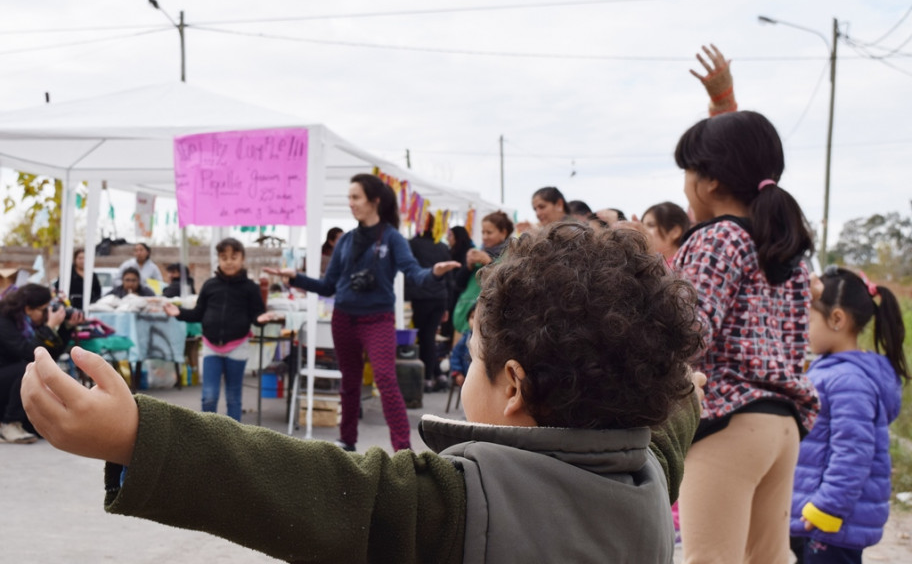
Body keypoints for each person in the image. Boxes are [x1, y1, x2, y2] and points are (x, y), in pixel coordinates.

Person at [23, 222, 705, 562]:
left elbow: (303, 484)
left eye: (473, 359)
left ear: (514, 386)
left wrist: (139, 436)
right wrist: (677, 376)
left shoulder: (461, 502)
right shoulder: (645, 472)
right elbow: (676, 413)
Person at [672, 110, 820, 564]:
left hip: (728, 423)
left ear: (710, 180)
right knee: (768, 560)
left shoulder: (719, 238)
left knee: (711, 559)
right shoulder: (786, 251)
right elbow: (799, 348)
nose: (684, 183)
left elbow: (689, 333)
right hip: (781, 425)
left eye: (687, 171)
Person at [265, 173, 460, 452]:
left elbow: (415, 275)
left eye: (356, 197)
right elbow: (328, 286)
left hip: (378, 319)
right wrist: (295, 277)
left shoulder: (393, 238)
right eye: (349, 198)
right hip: (343, 318)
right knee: (350, 381)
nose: (351, 203)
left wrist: (435, 273)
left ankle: (403, 449)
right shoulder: (345, 242)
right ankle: (347, 442)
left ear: (374, 201)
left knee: (385, 378)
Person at [790, 267, 909, 563]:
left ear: (837, 319)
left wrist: (826, 508)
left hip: (830, 522)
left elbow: (853, 454)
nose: (802, 327)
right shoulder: (832, 371)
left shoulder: (848, 381)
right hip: (817, 520)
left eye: (808, 317)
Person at [164, 238, 274, 422]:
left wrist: (260, 320)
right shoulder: (209, 285)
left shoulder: (250, 288)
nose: (229, 261)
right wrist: (179, 313)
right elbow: (198, 313)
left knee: (233, 397)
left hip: (238, 346)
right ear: (218, 260)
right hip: (211, 346)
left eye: (234, 257)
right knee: (209, 396)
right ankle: (208, 437)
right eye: (224, 257)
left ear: (242, 259)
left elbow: (257, 314)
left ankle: (234, 442)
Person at [0, 284, 82, 443]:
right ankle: (9, 424)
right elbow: (29, 353)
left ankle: (16, 422)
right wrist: (49, 327)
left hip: (9, 385)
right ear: (29, 308)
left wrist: (66, 328)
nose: (47, 314)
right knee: (29, 367)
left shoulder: (28, 324)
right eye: (44, 310)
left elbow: (49, 356)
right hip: (5, 379)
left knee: (36, 432)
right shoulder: (4, 321)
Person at [405, 214, 453, 393]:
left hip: (421, 297)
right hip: (439, 298)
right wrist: (447, 305)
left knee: (425, 338)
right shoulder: (441, 247)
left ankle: (428, 379)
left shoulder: (412, 245)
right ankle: (437, 374)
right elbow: (449, 278)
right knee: (429, 337)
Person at [452, 210, 513, 334]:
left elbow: (507, 284)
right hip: (466, 317)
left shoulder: (511, 255)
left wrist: (489, 263)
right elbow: (458, 284)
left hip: (491, 319)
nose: (484, 237)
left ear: (503, 233)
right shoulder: (477, 252)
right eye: (482, 232)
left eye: (489, 232)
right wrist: (468, 266)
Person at [440, 225, 475, 341]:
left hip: (461, 295)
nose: (448, 238)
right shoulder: (452, 251)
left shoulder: (469, 253)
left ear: (457, 237)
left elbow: (461, 277)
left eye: (450, 235)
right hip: (452, 293)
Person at [448, 303, 475, 387]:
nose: (475, 321)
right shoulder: (465, 339)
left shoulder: (489, 341)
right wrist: (458, 372)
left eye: (478, 318)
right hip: (466, 376)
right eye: (472, 317)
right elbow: (455, 355)